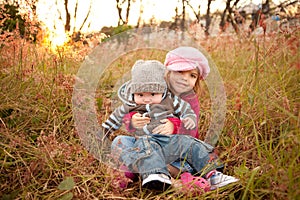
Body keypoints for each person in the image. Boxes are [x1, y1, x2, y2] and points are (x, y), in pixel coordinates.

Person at [109, 47, 238, 191]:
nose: (185, 78)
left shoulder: (190, 100)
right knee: (120, 142)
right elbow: (132, 108)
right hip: (146, 145)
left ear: (197, 80)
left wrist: (174, 126)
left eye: (192, 75)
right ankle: (149, 175)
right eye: (180, 71)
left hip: (174, 151)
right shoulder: (154, 89)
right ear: (167, 72)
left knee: (194, 149)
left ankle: (207, 175)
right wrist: (132, 121)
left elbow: (191, 130)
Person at [102, 59, 197, 139]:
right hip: (143, 143)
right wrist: (130, 122)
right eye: (140, 95)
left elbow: (186, 110)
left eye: (152, 94)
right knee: (121, 141)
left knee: (189, 146)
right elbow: (114, 119)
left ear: (162, 91)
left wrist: (189, 119)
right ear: (133, 93)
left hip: (169, 140)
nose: (146, 100)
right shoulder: (130, 105)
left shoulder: (170, 100)